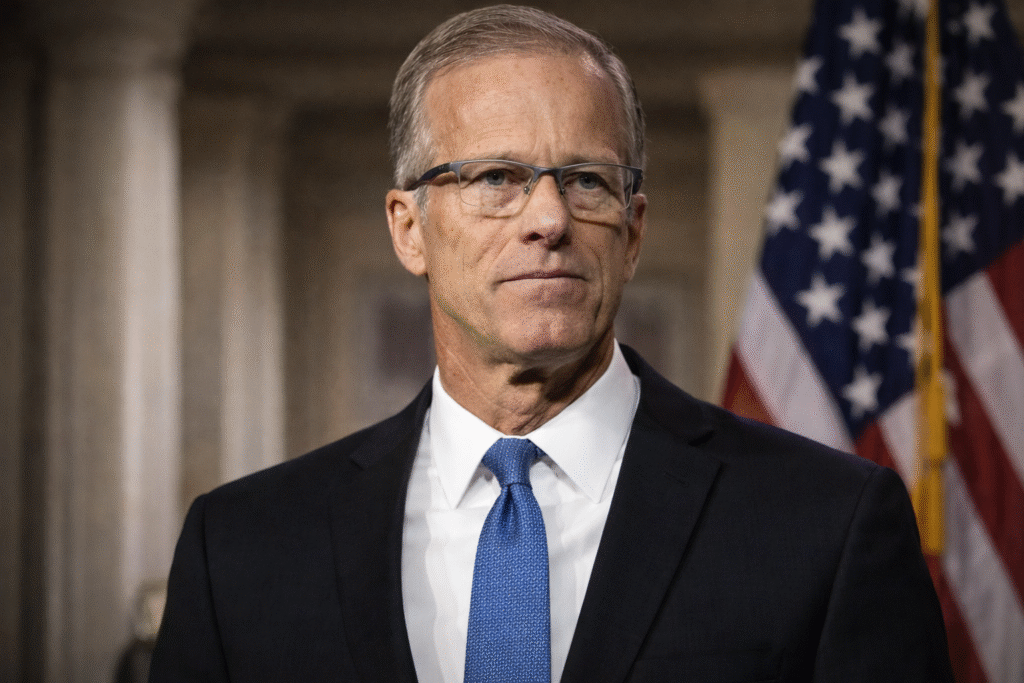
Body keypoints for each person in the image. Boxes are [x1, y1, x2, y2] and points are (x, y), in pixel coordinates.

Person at [150, 5, 954, 682]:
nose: (549, 218)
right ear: (408, 229)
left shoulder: (827, 525)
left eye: (588, 180)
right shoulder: (242, 549)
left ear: (632, 233)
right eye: (496, 177)